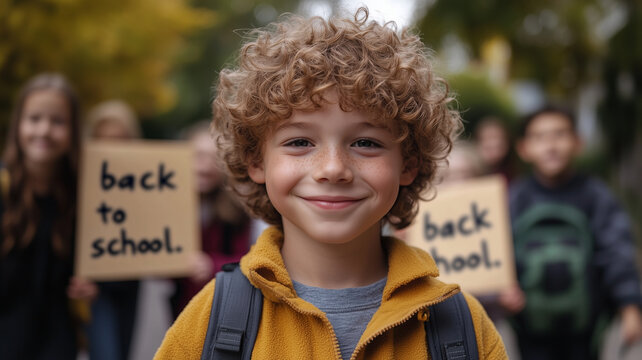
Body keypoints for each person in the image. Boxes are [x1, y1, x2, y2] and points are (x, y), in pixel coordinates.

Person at [155, 8, 506, 359]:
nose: (333, 168)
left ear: (409, 164)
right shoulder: (207, 324)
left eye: (366, 143)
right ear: (256, 161)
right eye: (299, 142)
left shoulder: (464, 326)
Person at [502, 104, 642, 359]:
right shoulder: (513, 199)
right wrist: (503, 288)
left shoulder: (597, 196)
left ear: (578, 142)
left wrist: (629, 305)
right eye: (540, 137)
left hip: (587, 331)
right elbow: (498, 255)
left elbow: (617, 251)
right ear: (524, 148)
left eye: (560, 134)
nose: (551, 145)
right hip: (529, 330)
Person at [0, 73, 97, 359]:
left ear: (73, 130)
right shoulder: (3, 190)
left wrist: (90, 287)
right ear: (18, 125)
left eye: (57, 121)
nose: (43, 130)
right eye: (34, 119)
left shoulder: (88, 197)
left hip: (57, 342)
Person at [170, 121, 251, 317]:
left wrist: (211, 266)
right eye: (198, 156)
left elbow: (249, 259)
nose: (205, 166)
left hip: (223, 306)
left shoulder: (238, 208)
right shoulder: (168, 206)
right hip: (181, 307)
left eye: (215, 158)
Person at [85, 100, 143, 360]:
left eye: (121, 139)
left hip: (130, 281)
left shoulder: (144, 181)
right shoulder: (82, 178)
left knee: (122, 350)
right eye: (105, 140)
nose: (113, 147)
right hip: (96, 285)